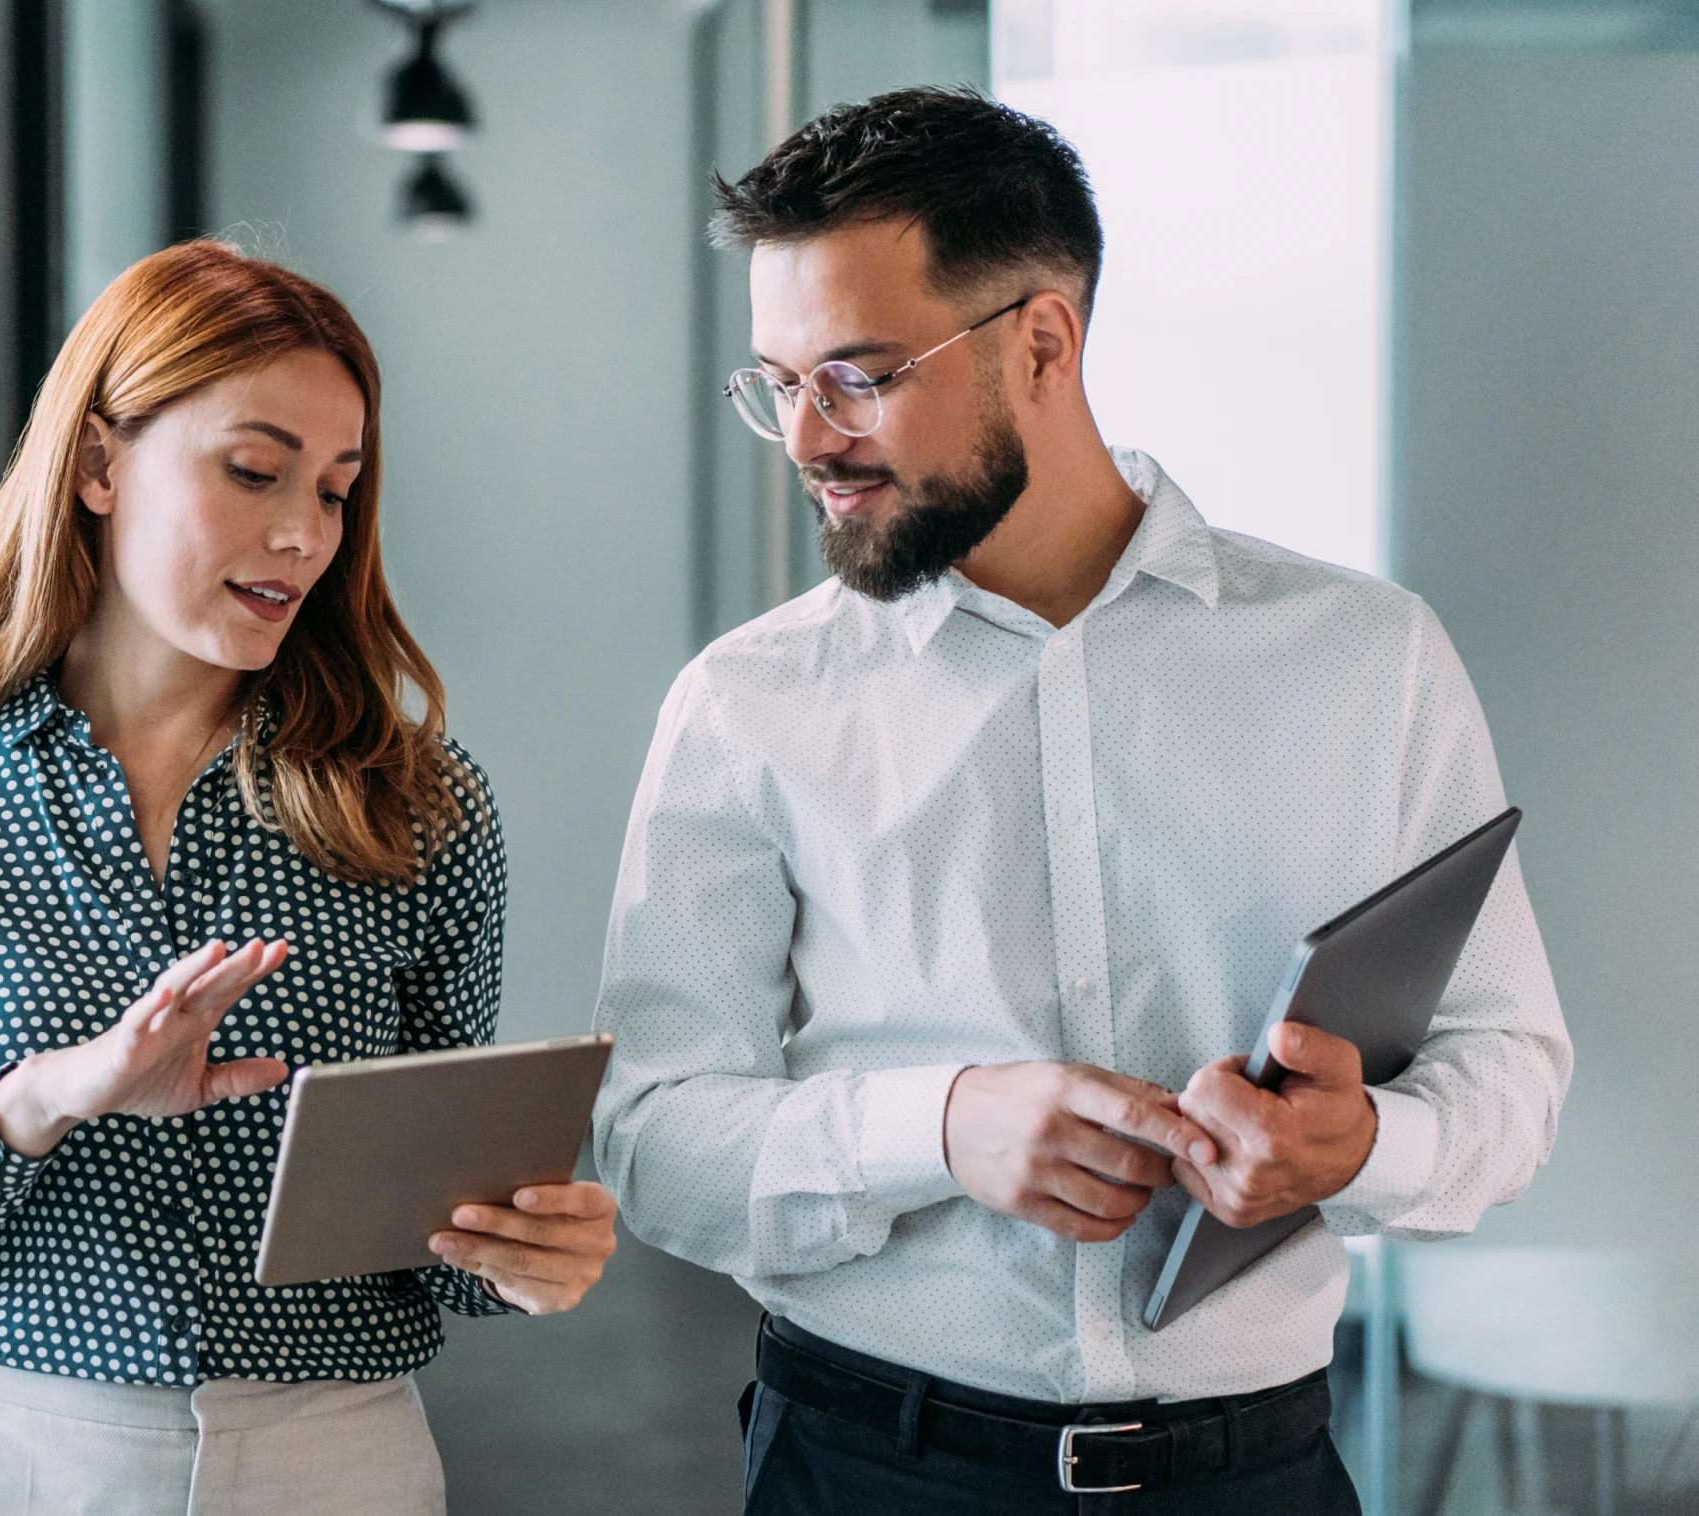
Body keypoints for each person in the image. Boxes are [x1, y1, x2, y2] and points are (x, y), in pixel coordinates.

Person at [592, 87, 1570, 1513]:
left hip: (1262, 1474)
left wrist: (1362, 1147)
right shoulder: (749, 703)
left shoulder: (1366, 658)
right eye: (776, 381)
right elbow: (651, 1134)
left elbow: (1511, 1068)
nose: (805, 437)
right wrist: (940, 1128)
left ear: (1043, 341)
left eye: (857, 375)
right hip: (872, 1471)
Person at [0, 240, 617, 1516]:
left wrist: (522, 1255)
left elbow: (440, 1243)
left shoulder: (421, 806)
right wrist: (50, 1094)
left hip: (329, 1460)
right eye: (252, 470)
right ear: (102, 462)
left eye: (336, 490)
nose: (303, 533)